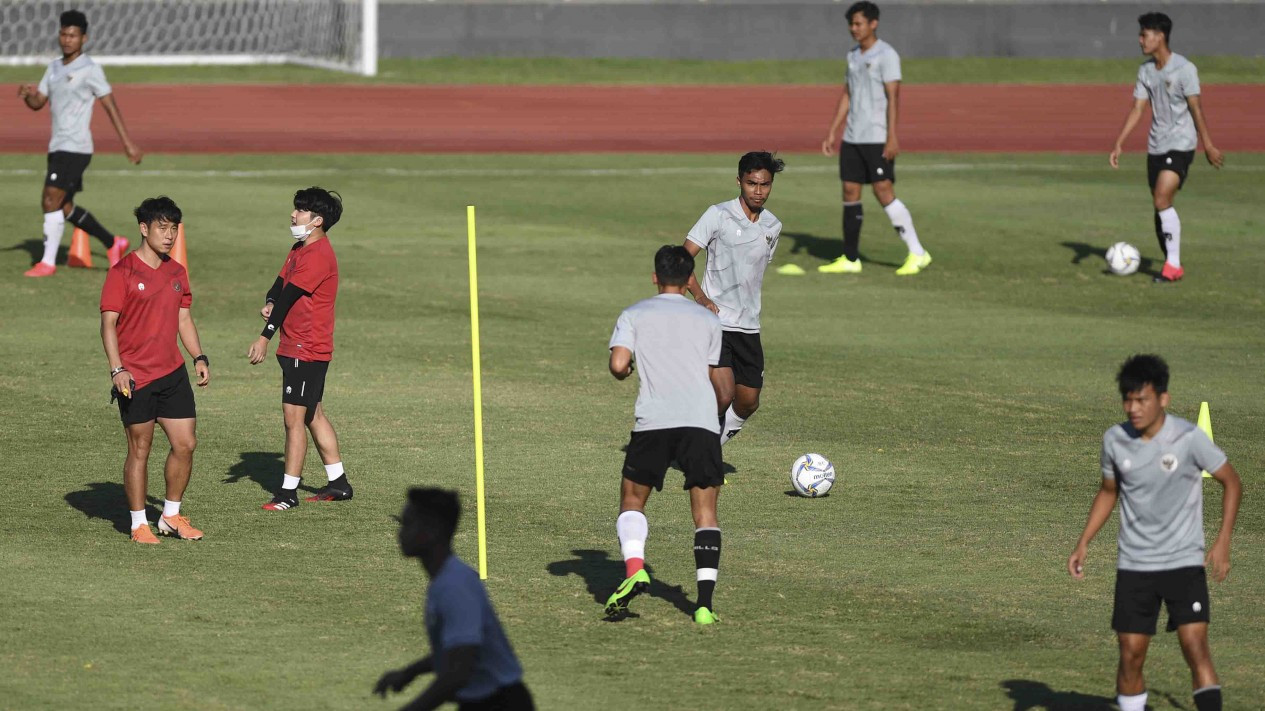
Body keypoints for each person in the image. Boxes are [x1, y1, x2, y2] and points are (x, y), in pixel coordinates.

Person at [1068, 354, 1241, 711]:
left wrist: (1223, 541)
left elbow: (1232, 482)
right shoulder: (1115, 440)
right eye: (1127, 399)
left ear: (1163, 399)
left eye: (1141, 399)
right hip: (1135, 564)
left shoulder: (1189, 438)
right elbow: (1108, 491)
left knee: (1195, 647)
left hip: (1183, 562)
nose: (1133, 407)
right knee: (1131, 654)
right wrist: (1084, 541)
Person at [605, 246, 725, 625]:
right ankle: (703, 605)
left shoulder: (635, 313)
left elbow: (618, 364)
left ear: (655, 277)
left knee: (632, 500)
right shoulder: (708, 320)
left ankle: (635, 566)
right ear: (689, 279)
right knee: (705, 513)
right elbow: (720, 386)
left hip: (654, 421)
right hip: (701, 423)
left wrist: (626, 372)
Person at [100, 197, 208, 544]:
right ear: (144, 229)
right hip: (136, 377)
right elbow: (108, 324)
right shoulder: (122, 273)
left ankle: (171, 516)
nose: (169, 235)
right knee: (140, 449)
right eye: (162, 227)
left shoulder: (177, 272)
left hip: (172, 373)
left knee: (186, 444)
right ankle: (138, 524)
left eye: (174, 228)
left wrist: (199, 357)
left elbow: (183, 318)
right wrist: (117, 369)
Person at [374, 488, 534, 711]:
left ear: (432, 532)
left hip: (500, 703)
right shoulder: (444, 580)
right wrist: (410, 672)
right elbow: (454, 652)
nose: (400, 533)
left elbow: (458, 672)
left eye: (408, 523)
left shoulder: (454, 586)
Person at [248, 187, 352, 510]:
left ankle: (287, 494)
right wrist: (269, 301)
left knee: (293, 418)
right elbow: (280, 286)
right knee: (312, 414)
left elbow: (290, 297)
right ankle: (338, 483)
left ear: (317, 220)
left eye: (301, 211)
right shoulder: (299, 249)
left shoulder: (319, 255)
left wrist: (265, 336)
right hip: (300, 346)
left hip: (305, 349)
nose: (294, 215)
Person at [18, 9, 141, 277]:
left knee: (49, 199)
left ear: (83, 38)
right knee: (63, 206)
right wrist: (28, 96)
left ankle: (47, 263)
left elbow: (110, 105)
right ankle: (113, 243)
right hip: (57, 146)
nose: (67, 40)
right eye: (63, 34)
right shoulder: (52, 68)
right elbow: (39, 103)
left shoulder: (90, 69)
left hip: (76, 147)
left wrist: (127, 143)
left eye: (72, 35)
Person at [817, 1, 930, 276]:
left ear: (873, 23)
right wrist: (833, 130)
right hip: (853, 137)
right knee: (850, 192)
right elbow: (847, 93)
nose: (853, 29)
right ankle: (851, 258)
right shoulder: (853, 55)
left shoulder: (887, 55)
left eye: (858, 24)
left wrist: (891, 136)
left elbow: (894, 97)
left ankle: (917, 252)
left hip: (877, 137)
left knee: (883, 190)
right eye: (851, 24)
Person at [1109, 13, 1223, 284]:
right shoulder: (1145, 71)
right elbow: (1138, 108)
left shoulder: (1185, 69)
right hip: (1156, 146)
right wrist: (1119, 142)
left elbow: (1196, 108)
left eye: (1144, 35)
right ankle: (1172, 259)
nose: (1140, 40)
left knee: (1161, 199)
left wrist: (1207, 144)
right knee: (1160, 205)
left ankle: (1172, 266)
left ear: (1159, 37)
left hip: (1181, 145)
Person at [683, 152, 783, 447]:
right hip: (715, 324)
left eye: (765, 184)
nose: (758, 191)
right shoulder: (717, 215)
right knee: (724, 394)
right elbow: (681, 260)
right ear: (739, 181)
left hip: (749, 327)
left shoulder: (773, 227)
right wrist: (700, 298)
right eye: (752, 183)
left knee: (748, 402)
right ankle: (703, 457)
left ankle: (708, 447)